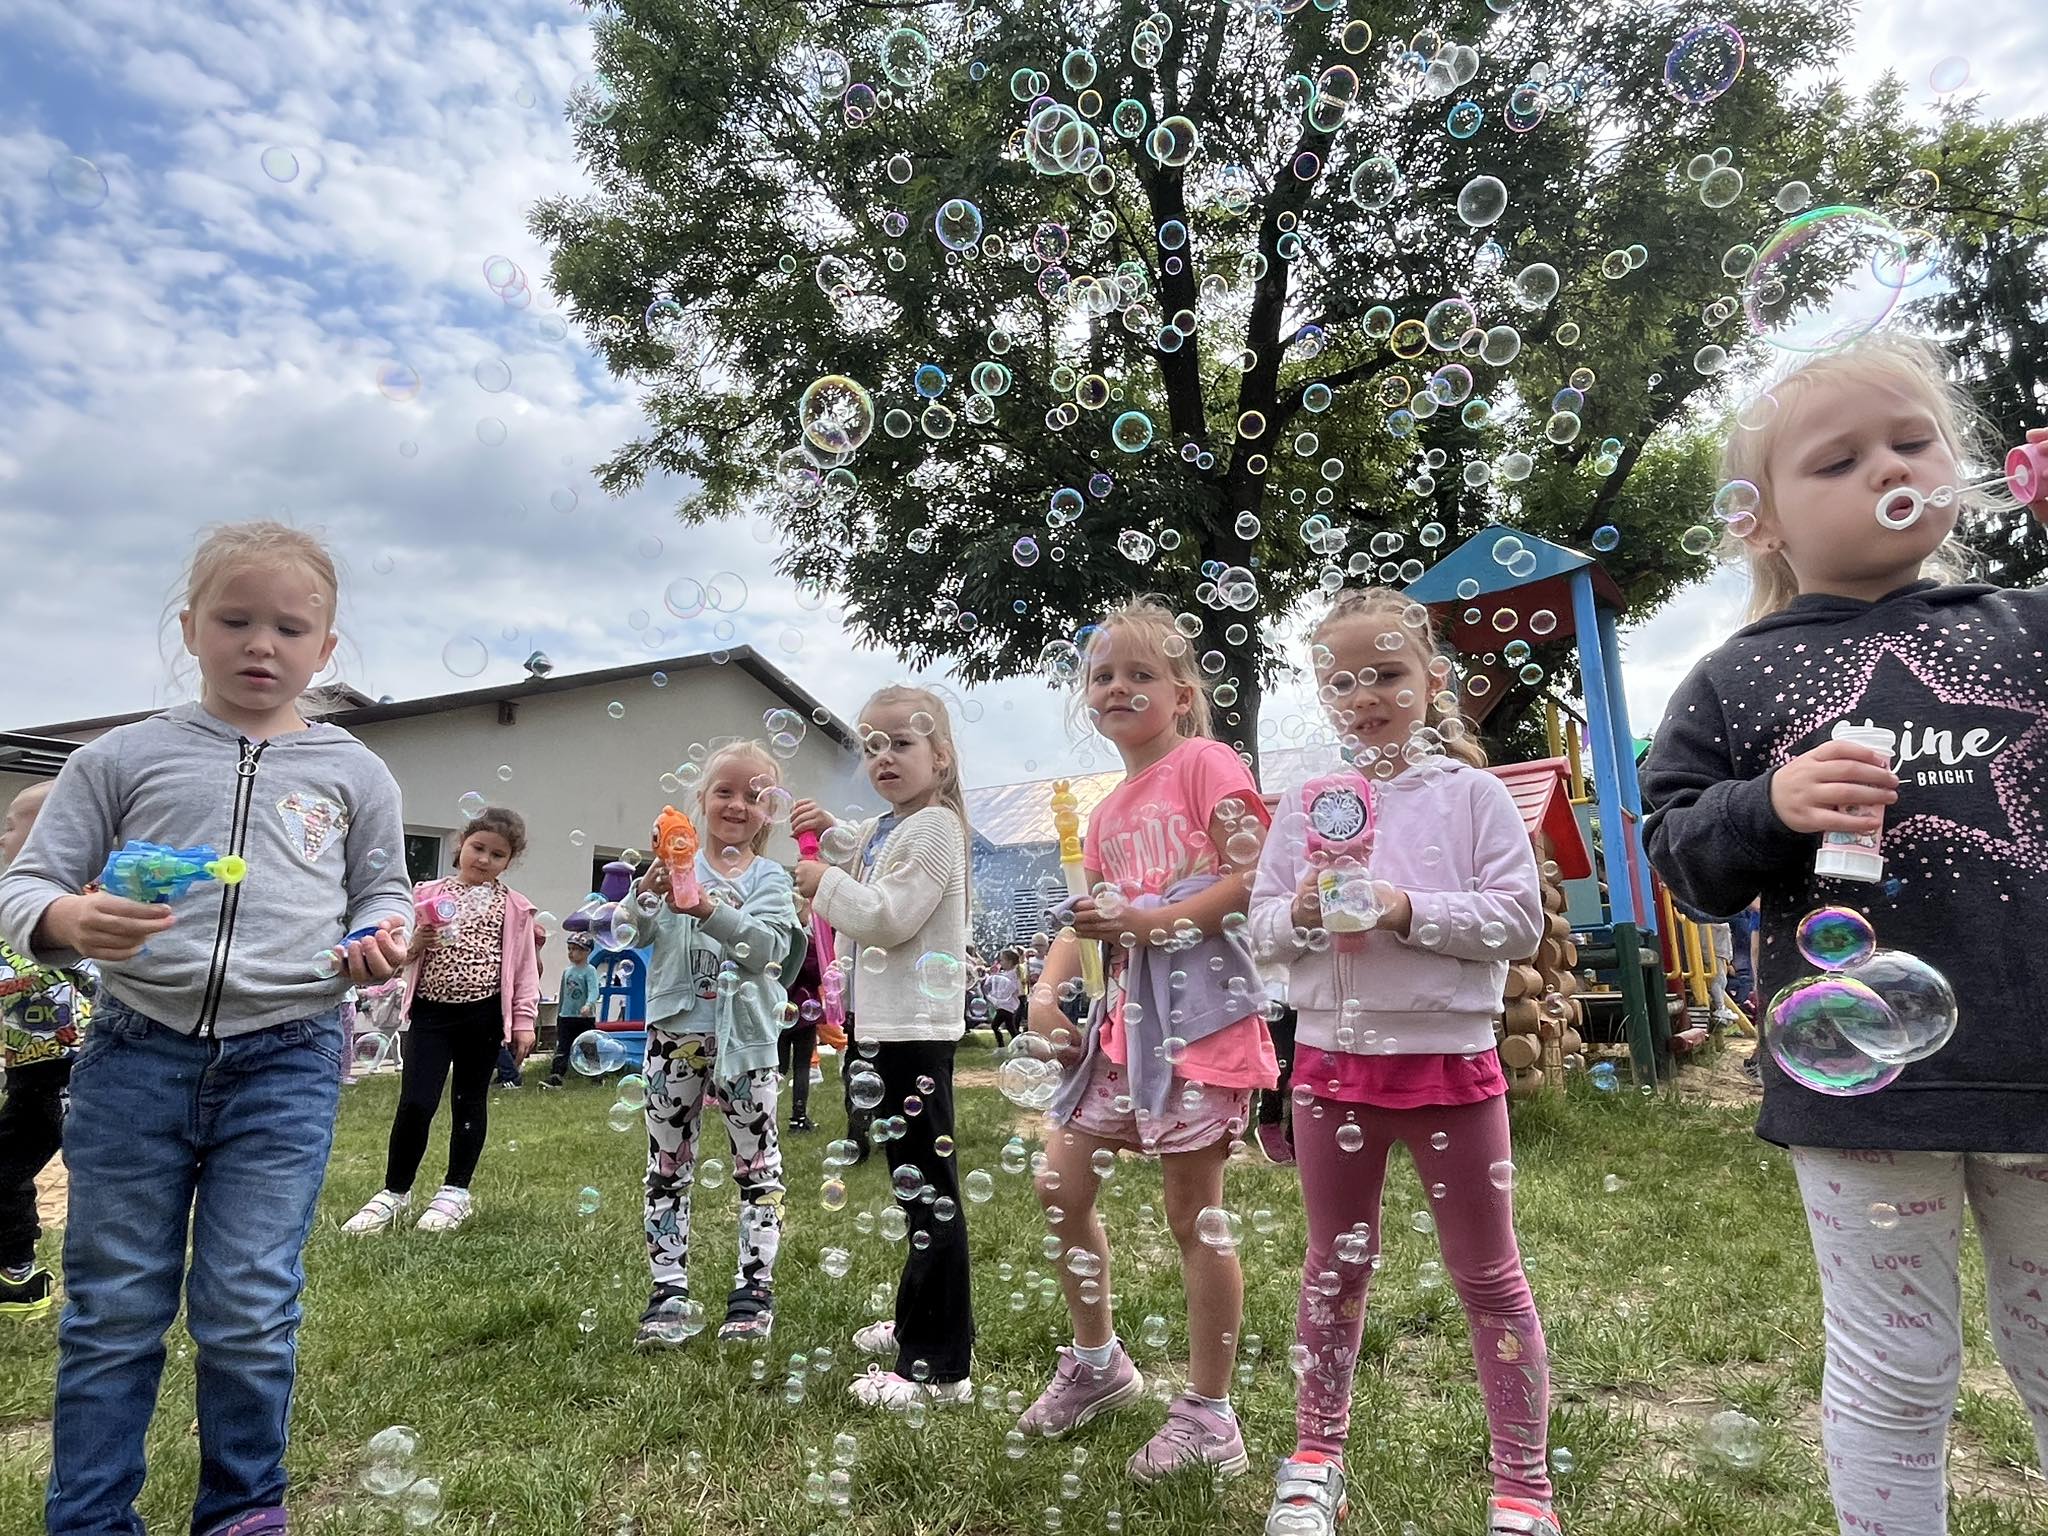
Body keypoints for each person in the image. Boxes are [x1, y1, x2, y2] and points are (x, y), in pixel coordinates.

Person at [1641, 333, 2048, 1536]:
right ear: (1755, 522)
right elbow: (1680, 854)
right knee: (1892, 1365)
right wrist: (1762, 805)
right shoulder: (1732, 680)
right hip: (1862, 1091)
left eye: (1910, 441)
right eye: (1836, 458)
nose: (1886, 465)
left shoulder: (2029, 628)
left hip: (2038, 1069)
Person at [0, 520, 412, 1536]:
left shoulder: (355, 772)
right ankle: (89, 1521)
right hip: (136, 1052)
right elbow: (24, 886)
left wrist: (380, 939)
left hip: (288, 1057)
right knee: (115, 1308)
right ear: (190, 629)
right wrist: (63, 919)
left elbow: (384, 896)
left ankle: (241, 1510)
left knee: (247, 1303)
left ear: (326, 646)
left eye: (289, 626)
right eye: (235, 620)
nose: (260, 643)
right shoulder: (120, 757)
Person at [1248, 587, 1557, 1536]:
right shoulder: (1305, 806)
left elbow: (1518, 923)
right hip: (1331, 1072)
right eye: (1340, 680)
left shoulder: (1474, 797)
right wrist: (1300, 911)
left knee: (1488, 1275)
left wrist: (1401, 908)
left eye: (1385, 672)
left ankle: (1523, 1489)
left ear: (1434, 682)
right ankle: (1315, 1459)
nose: (1365, 693)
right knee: (1332, 1272)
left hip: (1451, 1068)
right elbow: (1259, 935)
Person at [1019, 596, 1278, 1485]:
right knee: (1060, 1179)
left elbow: (1255, 873)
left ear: (1182, 691)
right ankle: (1099, 1364)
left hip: (1201, 1021)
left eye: (1140, 673)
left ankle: (1210, 1414)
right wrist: (1051, 987)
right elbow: (1089, 915)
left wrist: (1153, 918)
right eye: (1102, 675)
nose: (1118, 687)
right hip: (1127, 1027)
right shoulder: (1106, 810)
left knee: (1191, 1213)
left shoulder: (1206, 762)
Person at [792, 685, 976, 1411]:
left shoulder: (932, 828)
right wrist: (829, 833)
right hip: (889, 1030)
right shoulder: (894, 828)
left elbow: (889, 915)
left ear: (942, 755)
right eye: (871, 745)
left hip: (913, 1036)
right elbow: (864, 846)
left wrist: (823, 883)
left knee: (930, 1198)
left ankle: (939, 1369)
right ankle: (924, 1321)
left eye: (902, 743)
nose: (884, 757)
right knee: (917, 1193)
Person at [632, 741, 799, 1346]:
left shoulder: (772, 879)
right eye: (724, 791)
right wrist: (648, 889)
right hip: (674, 1036)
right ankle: (668, 1290)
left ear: (770, 813)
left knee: (757, 1171)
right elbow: (636, 929)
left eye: (754, 796)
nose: (737, 804)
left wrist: (703, 907)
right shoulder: (676, 865)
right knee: (667, 1168)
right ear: (700, 801)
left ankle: (753, 1292)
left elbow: (765, 950)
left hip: (746, 1044)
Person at [343, 806, 540, 1236]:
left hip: (484, 1016)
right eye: (478, 848)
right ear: (461, 846)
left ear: (509, 862)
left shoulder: (515, 908)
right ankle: (395, 1192)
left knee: (469, 1102)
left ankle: (455, 1192)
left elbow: (525, 970)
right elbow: (395, 960)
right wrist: (415, 940)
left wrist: (524, 1021)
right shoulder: (425, 895)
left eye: (498, 855)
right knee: (416, 1102)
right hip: (432, 1014)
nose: (485, 859)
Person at [0, 783, 95, 1321]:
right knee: (7, 1168)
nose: (2, 835)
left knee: (101, 1176)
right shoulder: (11, 901)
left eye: (12, 823)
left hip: (81, 1065)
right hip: (29, 1073)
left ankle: (29, 1275)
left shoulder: (89, 901)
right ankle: (17, 1272)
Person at [779, 895, 823, 1132]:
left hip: (779, 1011)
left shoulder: (777, 940)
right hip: (805, 1015)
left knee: (778, 1066)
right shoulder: (805, 942)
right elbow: (817, 974)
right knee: (802, 1066)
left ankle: (767, 1113)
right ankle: (798, 1117)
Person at [542, 934, 602, 1088]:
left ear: (587, 952)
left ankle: (596, 1076)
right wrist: (560, 1013)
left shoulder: (590, 971)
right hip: (566, 1016)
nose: (571, 953)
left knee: (588, 1047)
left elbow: (594, 991)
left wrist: (588, 1005)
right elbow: (562, 993)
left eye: (575, 949)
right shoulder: (567, 971)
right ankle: (556, 1075)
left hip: (584, 1018)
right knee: (562, 1047)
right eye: (569, 949)